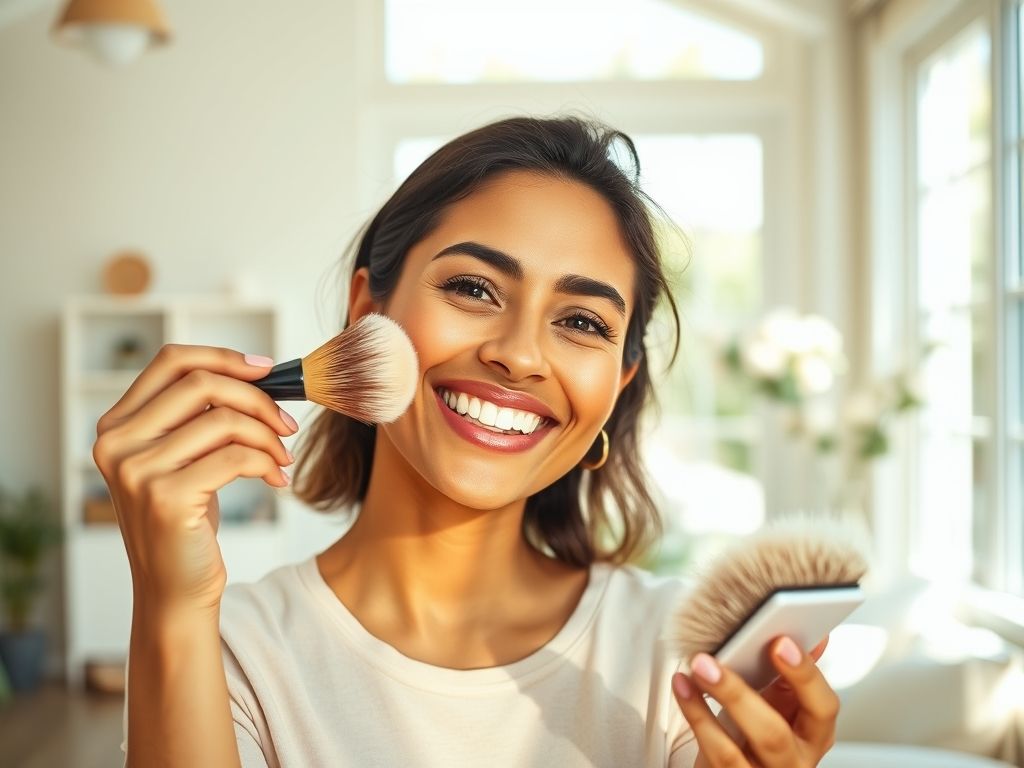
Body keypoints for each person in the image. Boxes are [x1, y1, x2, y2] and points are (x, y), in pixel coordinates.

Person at [95, 115, 839, 767]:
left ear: (617, 384)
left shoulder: (681, 661)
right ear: (367, 311)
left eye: (582, 322)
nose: (519, 355)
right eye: (473, 288)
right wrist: (169, 603)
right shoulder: (224, 650)